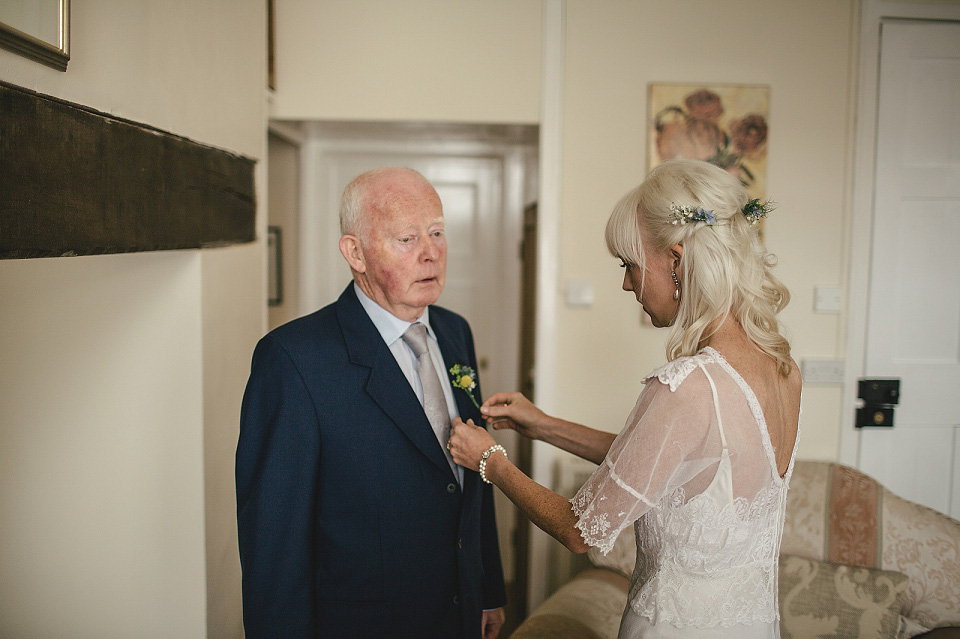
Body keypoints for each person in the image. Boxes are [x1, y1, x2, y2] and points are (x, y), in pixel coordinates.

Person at [449, 158, 802, 638]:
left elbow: (580, 530)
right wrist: (543, 424)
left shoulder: (688, 386)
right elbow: (673, 462)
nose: (627, 283)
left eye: (630, 265)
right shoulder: (782, 370)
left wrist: (491, 461)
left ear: (677, 260)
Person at [236, 167, 507, 639]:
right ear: (354, 253)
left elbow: (467, 477)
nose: (431, 253)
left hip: (459, 612)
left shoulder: (455, 331)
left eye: (437, 233)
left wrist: (487, 589)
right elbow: (274, 544)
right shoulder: (293, 360)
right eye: (406, 238)